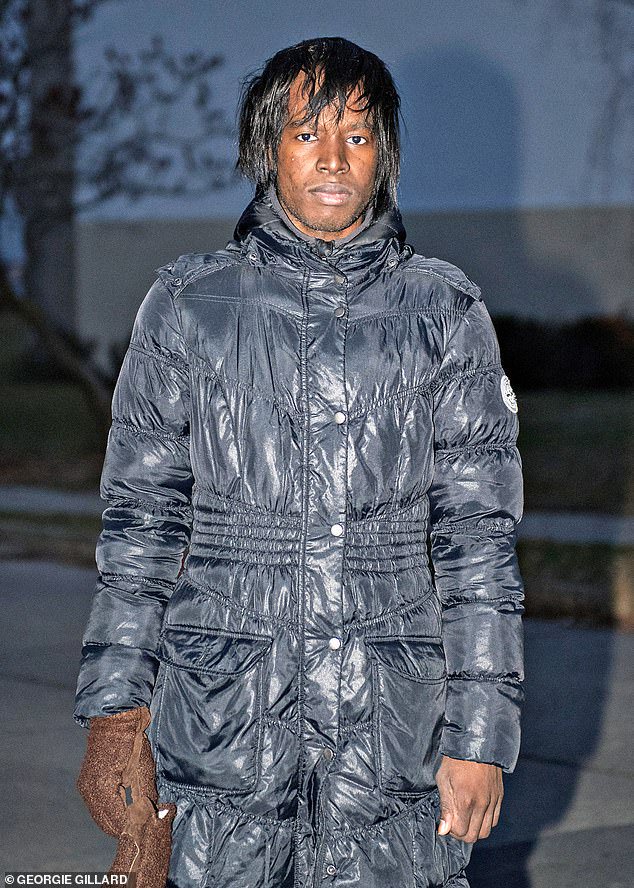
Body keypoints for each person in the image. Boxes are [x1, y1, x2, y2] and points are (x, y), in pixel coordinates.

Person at [74, 36, 525, 888]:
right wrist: (115, 715)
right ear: (266, 148)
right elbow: (140, 529)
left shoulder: (445, 312)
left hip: (392, 750)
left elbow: (479, 549)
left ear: (384, 155)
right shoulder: (189, 305)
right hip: (222, 740)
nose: (332, 159)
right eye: (306, 133)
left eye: (356, 136)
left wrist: (479, 738)